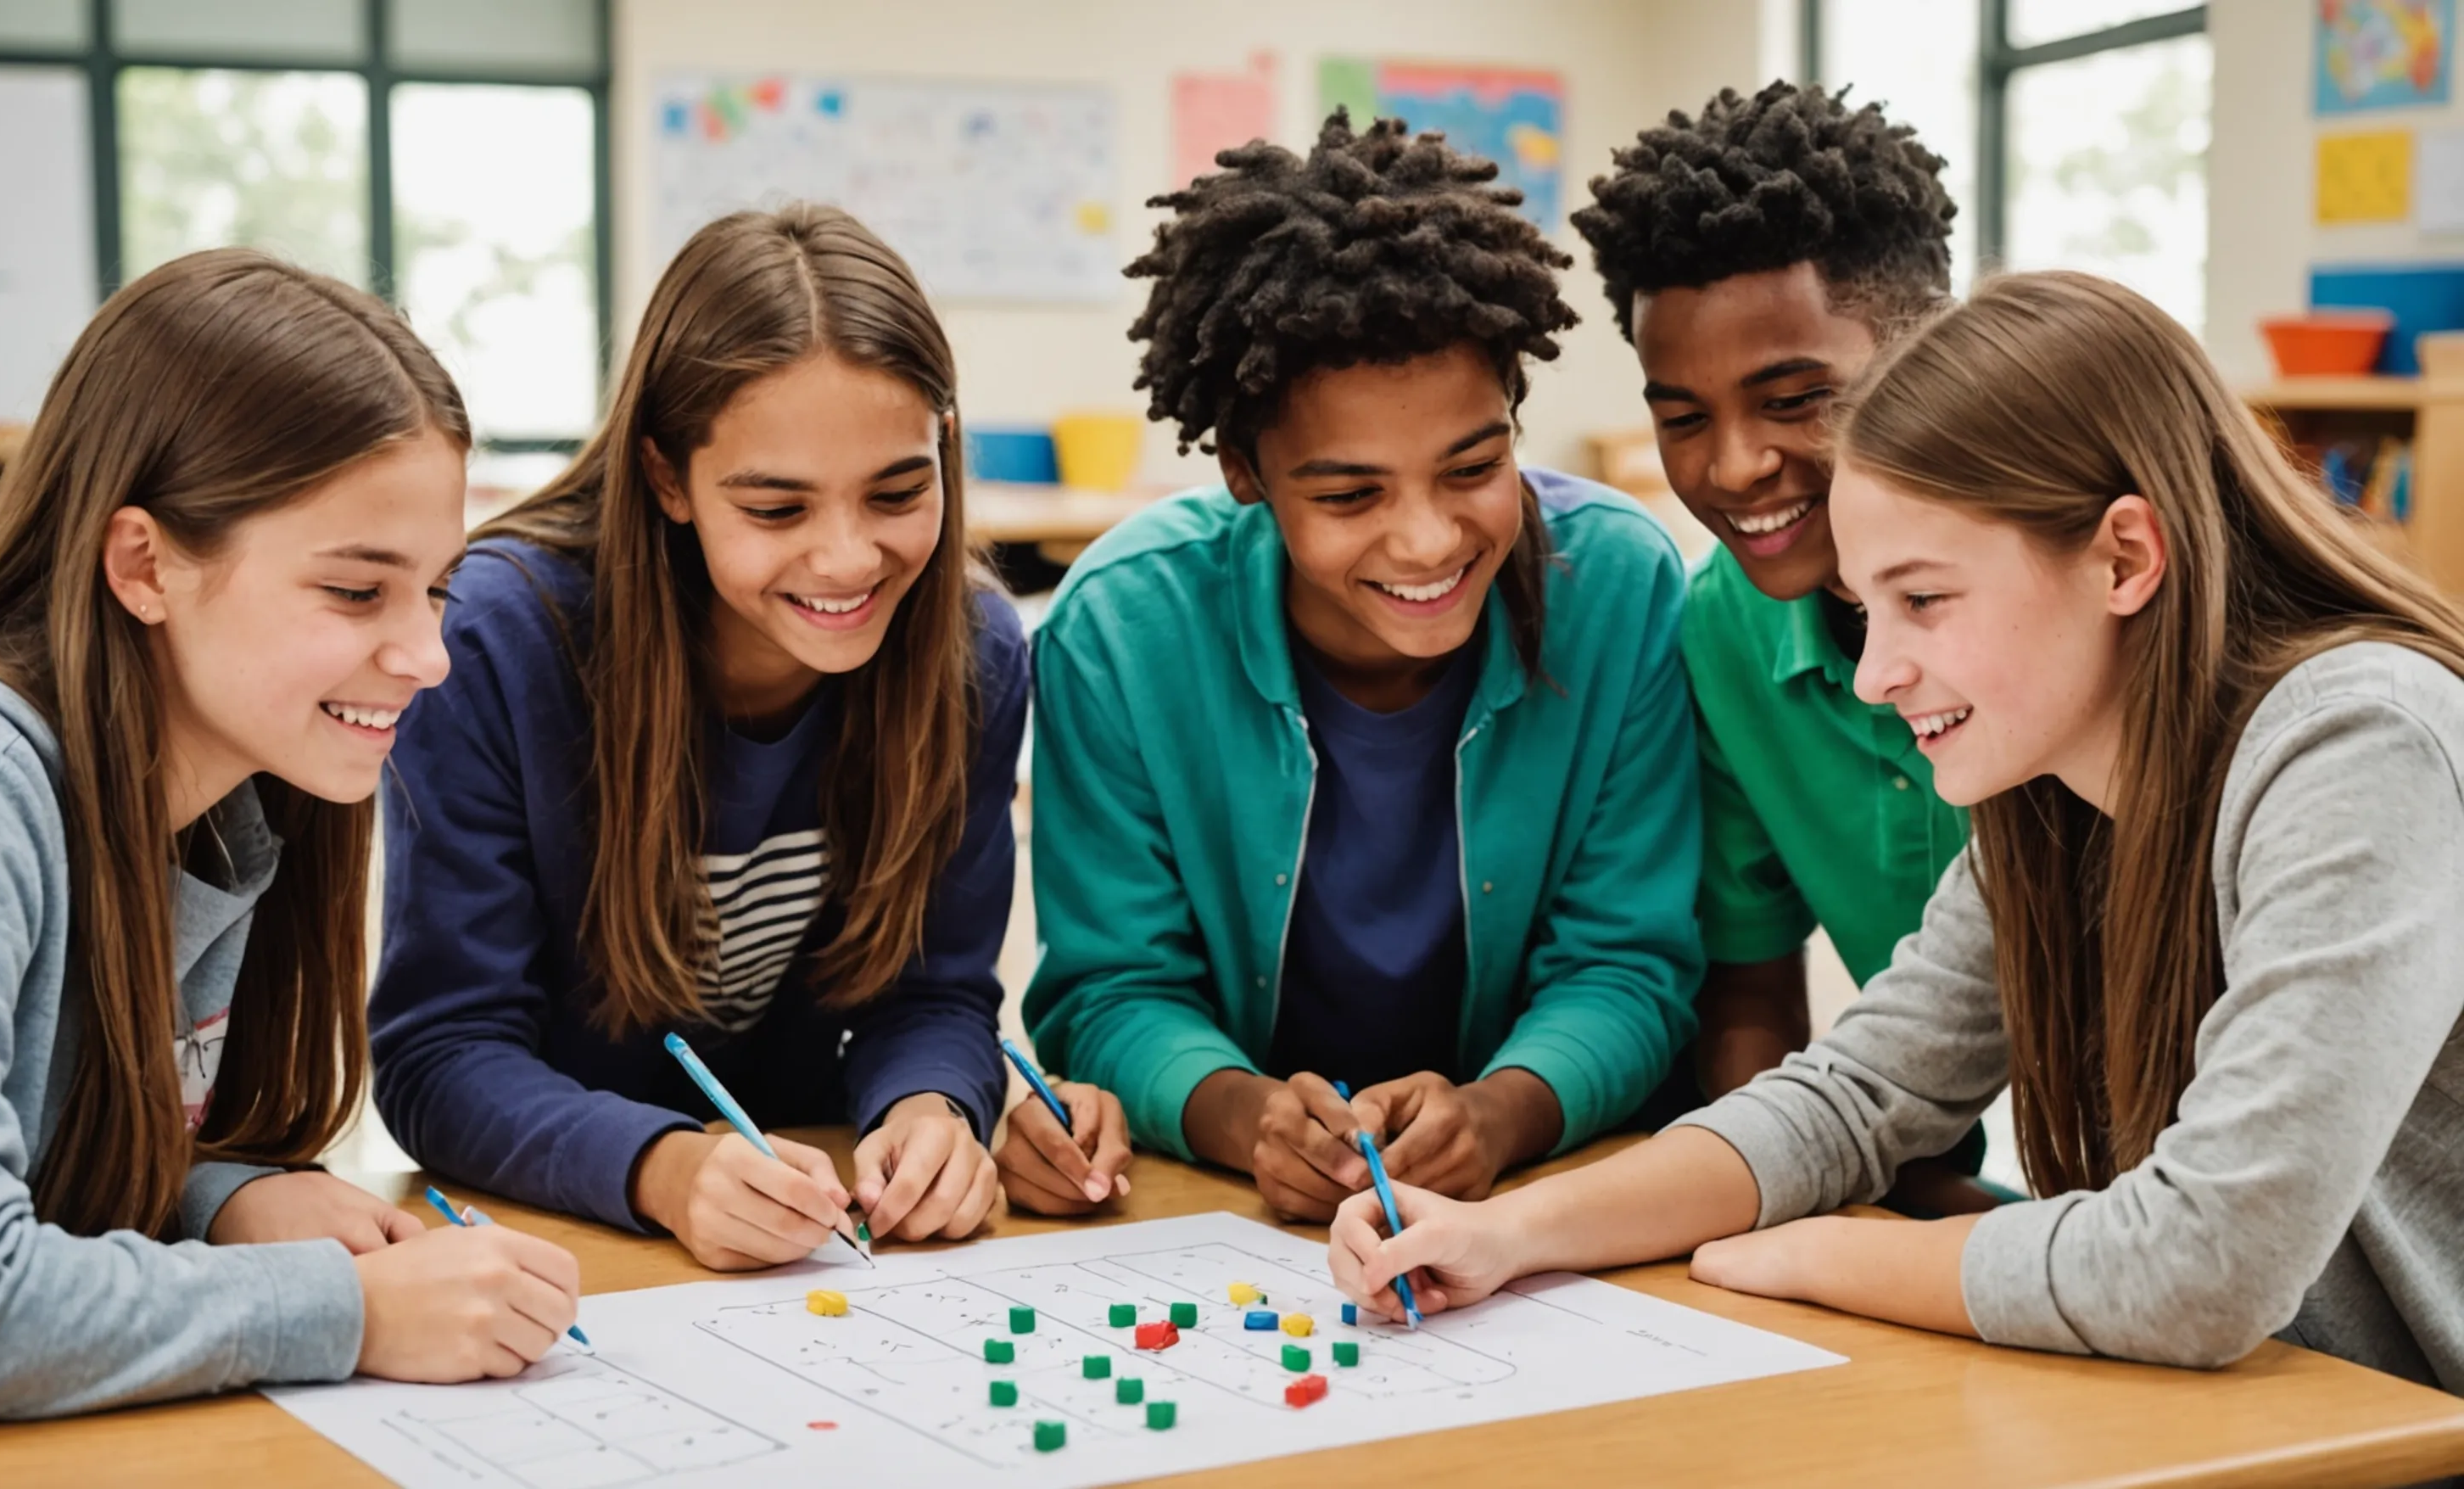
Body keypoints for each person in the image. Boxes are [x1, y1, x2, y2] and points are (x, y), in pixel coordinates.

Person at [1330, 272, 2464, 1393]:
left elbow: (2203, 1262)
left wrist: (1820, 1253)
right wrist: (1513, 1231)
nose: (1876, 675)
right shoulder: (2057, 785)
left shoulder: (2362, 743)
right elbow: (1854, 1096)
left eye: (1924, 600)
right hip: (2287, 1417)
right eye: (1870, 611)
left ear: (2124, 556)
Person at [0, 249, 580, 1426]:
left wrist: (221, 1198)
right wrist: (350, 1311)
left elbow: (45, 1148)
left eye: (438, 588)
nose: (429, 655)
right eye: (357, 592)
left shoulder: (235, 789)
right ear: (145, 563)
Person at [1020, 113, 1702, 1222]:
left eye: (1474, 466)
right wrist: (1246, 1117)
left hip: (1543, 1196)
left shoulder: (1618, 587)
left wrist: (1501, 1112)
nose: (1428, 541)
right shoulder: (1123, 627)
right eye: (1348, 495)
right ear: (1245, 471)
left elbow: (1632, 963)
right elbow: (1110, 987)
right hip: (1235, 1217)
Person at [371, 205, 1033, 1268]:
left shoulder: (974, 655)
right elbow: (439, 1057)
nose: (848, 560)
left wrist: (931, 1108)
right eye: (777, 510)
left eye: (900, 491)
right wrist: (663, 1167)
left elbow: (935, 994)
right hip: (562, 1234)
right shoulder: (495, 643)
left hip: (815, 1236)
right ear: (667, 478)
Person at [1573, 81, 1993, 1212]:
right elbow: (1751, 984)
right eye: (1683, 416)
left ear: (1934, 347)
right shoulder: (1727, 620)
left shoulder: (2074, 608)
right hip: (1967, 1200)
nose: (1734, 465)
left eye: (1797, 396)